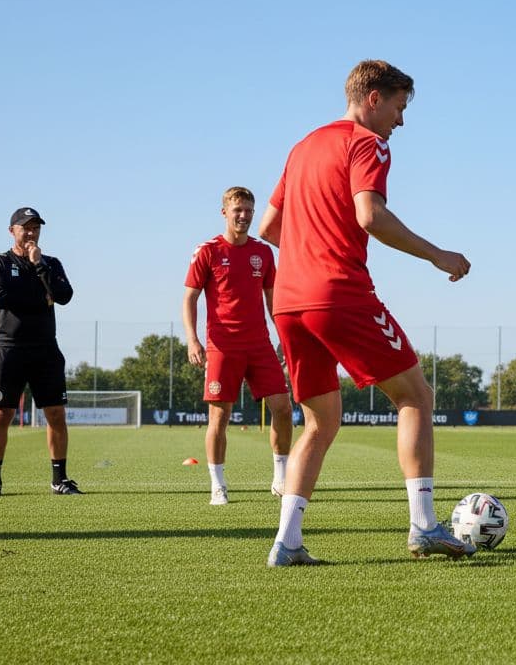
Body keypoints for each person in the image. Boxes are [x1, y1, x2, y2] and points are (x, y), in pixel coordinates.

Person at [258, 60, 474, 566]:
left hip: (288, 301)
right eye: (399, 108)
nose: (401, 122)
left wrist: (309, 250)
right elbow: (369, 214)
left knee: (320, 423)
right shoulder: (366, 143)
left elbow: (270, 228)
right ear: (373, 98)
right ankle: (423, 526)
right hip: (338, 293)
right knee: (415, 395)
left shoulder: (302, 146)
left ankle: (286, 543)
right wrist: (438, 254)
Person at [183, 186, 295, 506]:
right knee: (219, 418)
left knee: (284, 409)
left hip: (260, 344)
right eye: (237, 210)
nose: (243, 216)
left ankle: (280, 477)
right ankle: (218, 485)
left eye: (248, 210)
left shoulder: (263, 253)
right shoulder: (207, 251)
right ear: (224, 213)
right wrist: (193, 339)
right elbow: (189, 298)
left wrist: (285, 340)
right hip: (222, 347)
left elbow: (274, 302)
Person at [0, 207, 78, 496]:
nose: (31, 232)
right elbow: (2, 299)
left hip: (45, 349)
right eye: (25, 227)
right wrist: (42, 297)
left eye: (36, 227)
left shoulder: (51, 263)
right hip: (9, 349)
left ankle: (59, 479)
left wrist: (39, 267)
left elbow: (64, 296)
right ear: (12, 230)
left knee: (56, 414)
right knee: (2, 415)